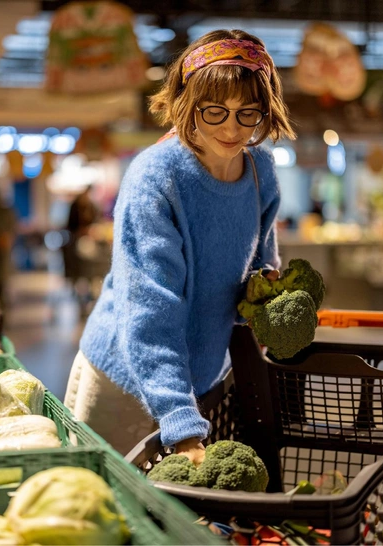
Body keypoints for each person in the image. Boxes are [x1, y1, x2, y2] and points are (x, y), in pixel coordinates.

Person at [63, 29, 295, 461]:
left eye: (248, 113)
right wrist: (180, 420)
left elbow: (263, 270)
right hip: (123, 379)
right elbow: (151, 309)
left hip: (201, 383)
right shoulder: (156, 177)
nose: (231, 128)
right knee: (108, 510)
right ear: (186, 105)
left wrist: (273, 307)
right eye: (214, 111)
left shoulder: (261, 170)